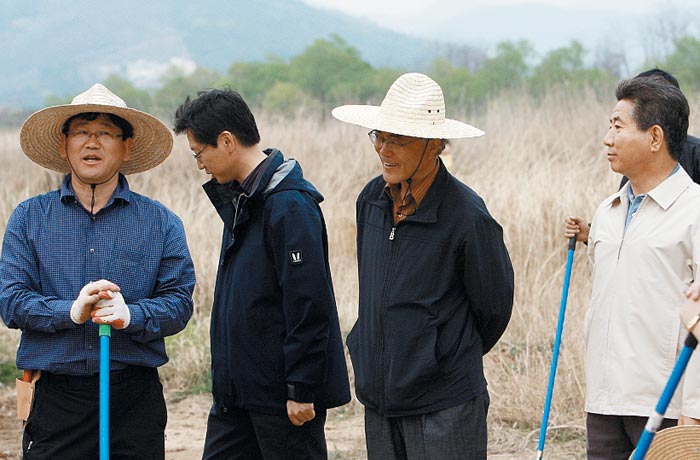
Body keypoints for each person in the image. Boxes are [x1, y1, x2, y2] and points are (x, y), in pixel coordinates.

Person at [0, 83, 196, 459]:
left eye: (106, 133)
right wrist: (68, 311)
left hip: (133, 399)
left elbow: (178, 303)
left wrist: (133, 315)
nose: (93, 143)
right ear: (63, 145)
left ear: (127, 147)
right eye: (82, 132)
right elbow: (10, 300)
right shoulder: (29, 218)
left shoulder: (160, 223)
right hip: (57, 399)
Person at [331, 73, 514, 460]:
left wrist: (438, 355)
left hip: (444, 405)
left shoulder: (467, 216)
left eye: (398, 140)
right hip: (380, 399)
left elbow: (494, 309)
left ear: (433, 146)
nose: (384, 150)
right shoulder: (370, 201)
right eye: (379, 137)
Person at [173, 89, 350, 460]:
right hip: (236, 396)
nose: (200, 165)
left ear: (226, 141)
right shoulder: (241, 199)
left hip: (282, 400)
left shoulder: (289, 205)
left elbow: (308, 304)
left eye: (199, 153)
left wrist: (301, 387)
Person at [573, 75, 700, 460]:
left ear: (655, 137)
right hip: (604, 401)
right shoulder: (607, 211)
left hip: (666, 405)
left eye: (617, 126)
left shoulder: (694, 210)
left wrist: (694, 412)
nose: (607, 139)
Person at [565, 68, 700, 242]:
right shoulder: (616, 200)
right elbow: (628, 240)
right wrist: (591, 234)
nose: (607, 140)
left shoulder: (693, 203)